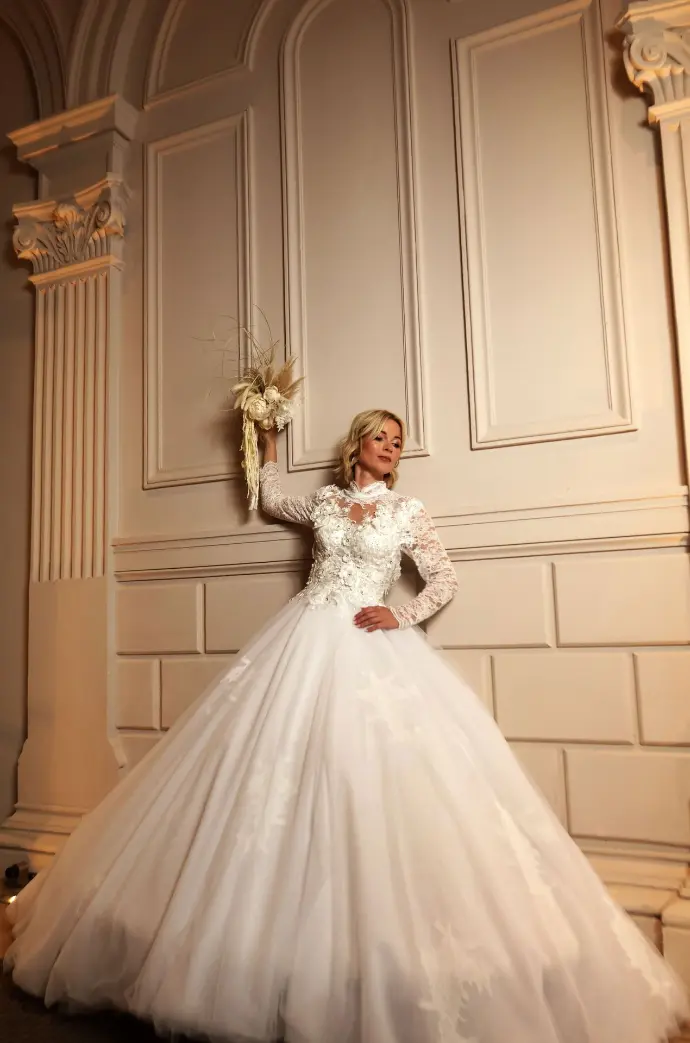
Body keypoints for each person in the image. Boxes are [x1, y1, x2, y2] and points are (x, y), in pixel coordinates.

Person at [3, 408, 688, 1043]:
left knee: (374, 783)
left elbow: (445, 578)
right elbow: (272, 499)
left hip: (369, 644)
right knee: (275, 780)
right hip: (303, 639)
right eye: (380, 436)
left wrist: (401, 614)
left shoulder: (406, 510)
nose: (390, 447)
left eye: (398, 441)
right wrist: (267, 438)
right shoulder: (326, 502)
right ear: (356, 444)